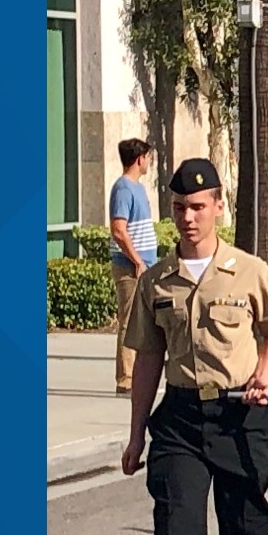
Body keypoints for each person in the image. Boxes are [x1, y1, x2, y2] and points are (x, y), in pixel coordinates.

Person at [118, 159, 268, 535]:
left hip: (240, 410)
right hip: (180, 418)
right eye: (179, 208)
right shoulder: (155, 281)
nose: (188, 217)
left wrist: (264, 375)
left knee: (244, 524)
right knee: (177, 531)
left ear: (218, 207)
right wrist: (136, 432)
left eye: (197, 206)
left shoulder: (249, 270)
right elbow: (148, 358)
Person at [109, 139, 160, 394]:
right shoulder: (123, 189)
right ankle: (125, 379)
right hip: (130, 268)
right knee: (129, 322)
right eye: (147, 157)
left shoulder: (137, 188)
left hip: (147, 265)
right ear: (139, 158)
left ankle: (142, 373)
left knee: (149, 322)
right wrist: (137, 260)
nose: (149, 161)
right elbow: (118, 230)